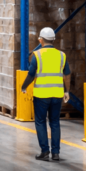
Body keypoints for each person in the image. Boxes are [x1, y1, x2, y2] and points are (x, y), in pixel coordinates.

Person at [20, 27, 71, 161]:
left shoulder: (37, 55)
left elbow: (31, 75)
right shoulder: (62, 55)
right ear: (53, 40)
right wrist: (66, 91)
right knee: (55, 122)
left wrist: (23, 86)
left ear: (40, 40)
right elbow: (66, 75)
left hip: (41, 95)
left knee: (40, 122)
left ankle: (44, 151)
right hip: (57, 95)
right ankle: (56, 153)